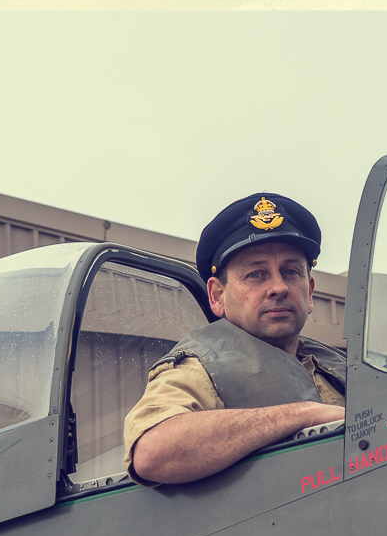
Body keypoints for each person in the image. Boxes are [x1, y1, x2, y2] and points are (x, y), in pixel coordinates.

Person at [124, 193, 346, 486]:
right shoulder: (201, 366)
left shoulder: (339, 366)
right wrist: (305, 415)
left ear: (310, 291)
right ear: (218, 296)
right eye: (256, 275)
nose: (278, 287)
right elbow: (153, 451)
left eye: (291, 272)